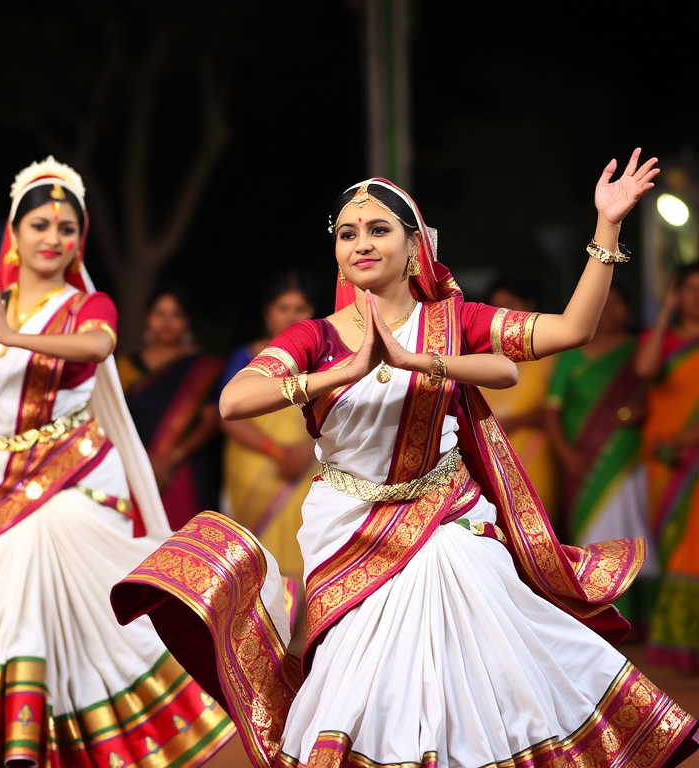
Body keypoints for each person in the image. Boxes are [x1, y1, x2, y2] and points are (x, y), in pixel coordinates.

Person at [113, 151, 699, 768]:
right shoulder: (315, 337)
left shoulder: (451, 323)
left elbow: (572, 329)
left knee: (483, 676)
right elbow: (235, 399)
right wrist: (340, 372)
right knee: (363, 690)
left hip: (444, 525)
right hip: (348, 536)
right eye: (347, 233)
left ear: (415, 245)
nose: (360, 243)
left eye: (377, 229)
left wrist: (605, 228)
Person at [0, 158, 234, 767]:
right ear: (14, 232)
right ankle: (36, 743)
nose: (53, 238)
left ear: (77, 242)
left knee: (41, 588)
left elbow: (100, 345)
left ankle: (26, 750)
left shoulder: (88, 306)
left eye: (66, 229)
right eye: (40, 224)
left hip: (78, 482)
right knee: (11, 607)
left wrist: (15, 339)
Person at [544, 283, 657, 627]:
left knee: (632, 526)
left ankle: (640, 617)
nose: (609, 311)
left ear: (629, 310)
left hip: (627, 458)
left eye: (617, 304)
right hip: (581, 461)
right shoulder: (571, 352)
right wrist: (564, 456)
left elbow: (656, 391)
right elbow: (551, 411)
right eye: (602, 304)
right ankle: (598, 618)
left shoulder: (639, 350)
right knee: (591, 533)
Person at [219, 271, 319, 585]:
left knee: (305, 559)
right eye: (283, 307)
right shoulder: (246, 359)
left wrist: (306, 451)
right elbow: (230, 417)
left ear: (314, 315)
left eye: (300, 308)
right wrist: (278, 453)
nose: (291, 316)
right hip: (257, 468)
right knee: (257, 566)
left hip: (309, 466)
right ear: (267, 314)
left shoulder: (324, 362)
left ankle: (302, 633)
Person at [636, 263, 699, 673]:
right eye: (688, 289)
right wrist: (663, 314)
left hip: (694, 451)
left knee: (690, 550)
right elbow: (645, 370)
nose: (695, 296)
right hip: (662, 456)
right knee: (669, 544)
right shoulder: (659, 340)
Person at [117, 289, 224, 529]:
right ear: (147, 318)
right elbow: (113, 419)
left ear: (187, 322)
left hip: (184, 470)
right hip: (133, 466)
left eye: (176, 315)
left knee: (183, 545)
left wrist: (172, 457)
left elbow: (210, 420)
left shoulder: (203, 369)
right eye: (159, 314)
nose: (166, 322)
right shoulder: (123, 367)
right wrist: (145, 460)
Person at [480, 276, 558, 516]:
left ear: (528, 306)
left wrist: (517, 421)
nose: (502, 315)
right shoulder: (477, 358)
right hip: (487, 469)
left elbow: (559, 410)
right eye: (495, 308)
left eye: (509, 305)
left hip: (535, 463)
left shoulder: (550, 356)